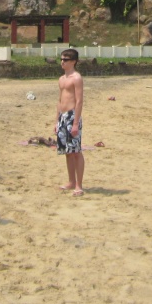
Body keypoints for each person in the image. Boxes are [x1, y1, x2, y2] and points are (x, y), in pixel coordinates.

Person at [56, 48, 85, 196]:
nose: (62, 62)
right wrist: (56, 121)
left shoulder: (76, 78)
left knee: (76, 152)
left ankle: (79, 185)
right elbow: (59, 99)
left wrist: (75, 123)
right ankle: (71, 181)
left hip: (72, 115)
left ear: (73, 61)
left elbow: (79, 101)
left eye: (65, 60)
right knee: (67, 152)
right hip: (63, 116)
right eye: (61, 59)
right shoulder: (61, 79)